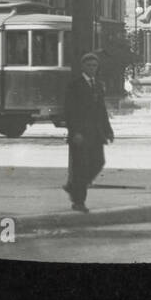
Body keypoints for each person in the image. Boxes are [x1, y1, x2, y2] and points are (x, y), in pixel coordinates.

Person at [63, 51, 114, 212]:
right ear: (82, 67)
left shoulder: (97, 85)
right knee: (81, 167)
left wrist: (108, 130)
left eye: (94, 65)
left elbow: (101, 110)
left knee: (98, 162)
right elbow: (70, 111)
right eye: (89, 65)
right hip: (81, 134)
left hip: (96, 133)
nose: (92, 68)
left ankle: (73, 187)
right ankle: (79, 202)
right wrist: (75, 132)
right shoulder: (75, 85)